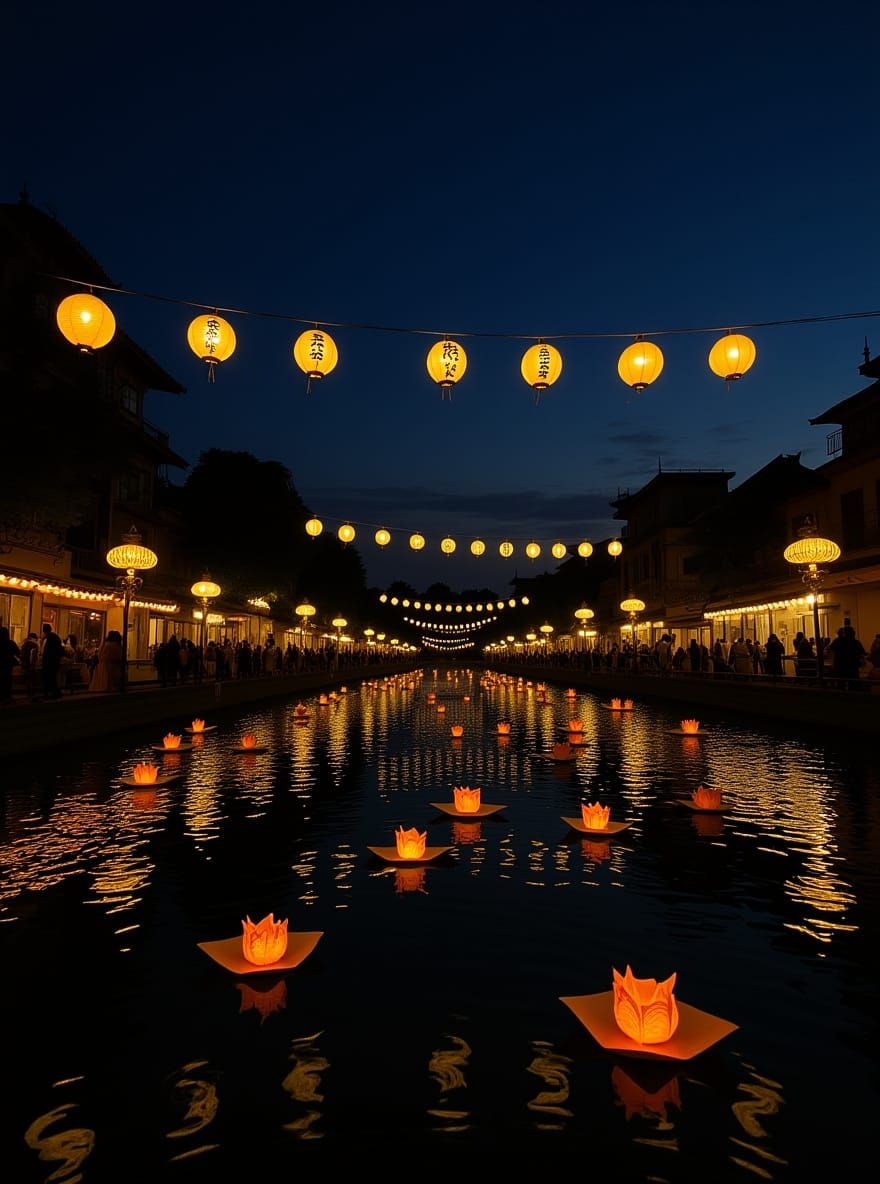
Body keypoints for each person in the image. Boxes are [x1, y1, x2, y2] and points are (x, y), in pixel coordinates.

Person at [41, 622, 63, 699]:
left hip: (49, 661)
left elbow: (48, 651)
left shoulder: (49, 638)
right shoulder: (55, 637)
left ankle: (52, 693)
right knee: (52, 678)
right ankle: (55, 693)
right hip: (55, 661)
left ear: (44, 630)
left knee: (49, 678)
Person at [0, 626, 20, 703]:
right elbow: (17, 652)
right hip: (8, 665)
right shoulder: (11, 643)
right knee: (7, 681)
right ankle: (7, 696)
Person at [19, 631, 40, 700]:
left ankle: (30, 694)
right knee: (32, 680)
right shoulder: (34, 645)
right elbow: (34, 657)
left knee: (28, 680)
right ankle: (32, 695)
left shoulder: (24, 644)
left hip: (24, 664)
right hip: (30, 665)